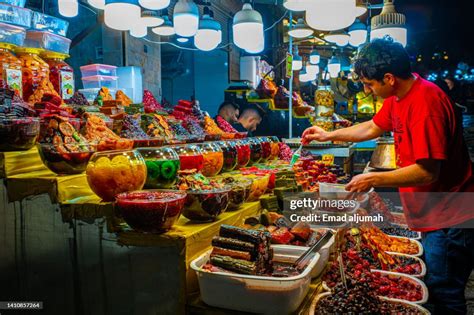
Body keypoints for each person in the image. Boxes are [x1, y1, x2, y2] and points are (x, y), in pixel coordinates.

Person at [302, 38, 474, 314]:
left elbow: (427, 172)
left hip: (451, 217)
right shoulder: (399, 96)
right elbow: (372, 127)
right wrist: (327, 135)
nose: (367, 91)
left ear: (389, 78)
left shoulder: (425, 105)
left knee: (445, 293)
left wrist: (372, 179)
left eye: (370, 85)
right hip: (434, 214)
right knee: (438, 287)